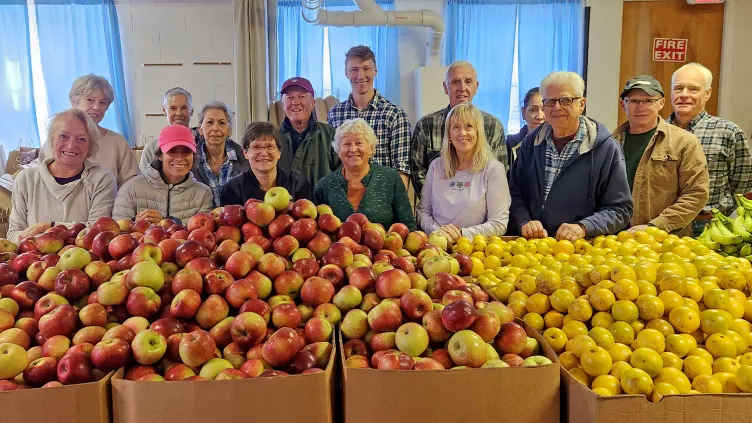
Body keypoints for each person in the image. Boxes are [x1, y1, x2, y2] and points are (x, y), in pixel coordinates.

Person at [509, 71, 633, 241]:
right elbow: (514, 192)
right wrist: (524, 221)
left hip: (582, 250)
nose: (557, 107)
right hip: (535, 248)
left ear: (582, 104)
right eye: (550, 101)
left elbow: (620, 209)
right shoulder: (531, 143)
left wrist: (584, 227)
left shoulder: (606, 148)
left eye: (565, 100)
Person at [613, 75, 709, 237]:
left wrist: (656, 226)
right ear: (624, 104)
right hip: (615, 239)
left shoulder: (685, 142)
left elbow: (696, 194)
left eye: (649, 101)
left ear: (661, 103)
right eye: (634, 101)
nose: (641, 107)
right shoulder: (610, 143)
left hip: (667, 241)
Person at [667, 62, 752, 235]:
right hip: (662, 225)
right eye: (678, 88)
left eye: (693, 89)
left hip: (709, 227)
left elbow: (741, 188)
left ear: (708, 93)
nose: (684, 95)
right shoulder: (658, 131)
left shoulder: (728, 132)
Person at [8, 109, 117, 243]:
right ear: (51, 140)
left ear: (90, 147)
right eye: (63, 136)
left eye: (81, 139)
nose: (71, 145)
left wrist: (48, 227)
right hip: (32, 261)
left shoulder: (102, 180)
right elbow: (13, 234)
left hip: (85, 262)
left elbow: (98, 231)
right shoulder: (26, 179)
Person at [411, 61, 507, 197]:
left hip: (483, 212)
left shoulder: (494, 126)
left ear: (476, 86)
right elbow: (419, 176)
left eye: (468, 81)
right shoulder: (425, 126)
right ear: (445, 87)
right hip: (438, 211)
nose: (462, 87)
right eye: (455, 82)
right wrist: (444, 207)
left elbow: (499, 178)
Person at [416, 103, 510, 241]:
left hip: (476, 250)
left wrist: (462, 234)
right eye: (456, 127)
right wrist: (439, 233)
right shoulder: (436, 166)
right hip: (437, 246)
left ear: (478, 132)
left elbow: (499, 223)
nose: (462, 133)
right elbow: (422, 212)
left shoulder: (494, 169)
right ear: (449, 134)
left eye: (469, 126)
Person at [327, 45, 411, 189]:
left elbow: (401, 167)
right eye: (354, 70)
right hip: (344, 198)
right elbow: (332, 163)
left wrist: (396, 204)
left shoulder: (395, 114)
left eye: (366, 68)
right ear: (346, 73)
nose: (361, 76)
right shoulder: (334, 114)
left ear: (375, 71)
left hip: (383, 197)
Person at [314, 118, 417, 231]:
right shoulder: (324, 185)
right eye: (347, 144)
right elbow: (316, 230)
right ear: (338, 151)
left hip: (386, 247)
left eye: (358, 143)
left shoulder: (390, 178)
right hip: (338, 247)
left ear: (371, 148)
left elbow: (408, 226)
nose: (353, 149)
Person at [40, 74, 139, 187]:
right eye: (90, 100)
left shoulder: (118, 142)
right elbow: (42, 184)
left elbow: (131, 187)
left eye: (102, 103)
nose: (96, 107)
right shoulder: (56, 141)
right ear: (74, 101)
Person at [113, 125, 214, 224]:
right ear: (160, 155)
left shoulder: (203, 194)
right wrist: (135, 225)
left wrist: (169, 223)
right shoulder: (131, 189)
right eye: (172, 151)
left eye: (186, 151)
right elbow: (117, 233)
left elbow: (203, 235)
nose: (179, 158)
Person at [220, 122, 311, 206]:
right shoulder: (232, 189)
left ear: (279, 152)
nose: (263, 153)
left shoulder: (298, 184)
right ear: (245, 153)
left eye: (270, 146)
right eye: (256, 147)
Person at [277, 77, 340, 186]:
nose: (295, 102)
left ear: (313, 103)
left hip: (322, 202)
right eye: (289, 97)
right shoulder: (272, 139)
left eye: (302, 97)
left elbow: (344, 175)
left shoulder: (331, 135)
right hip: (281, 202)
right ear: (283, 105)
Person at [192, 101, 250, 205]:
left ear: (230, 130)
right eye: (209, 122)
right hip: (201, 219)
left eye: (222, 123)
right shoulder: (190, 161)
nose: (215, 128)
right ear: (200, 129)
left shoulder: (247, 159)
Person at [139, 87, 198, 172]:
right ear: (164, 110)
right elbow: (143, 180)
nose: (178, 113)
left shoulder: (202, 144)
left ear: (191, 110)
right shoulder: (152, 147)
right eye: (173, 108)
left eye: (184, 108)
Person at [507, 87, 545, 169]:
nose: (540, 116)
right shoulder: (510, 145)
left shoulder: (560, 145)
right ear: (523, 113)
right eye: (533, 110)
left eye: (544, 110)